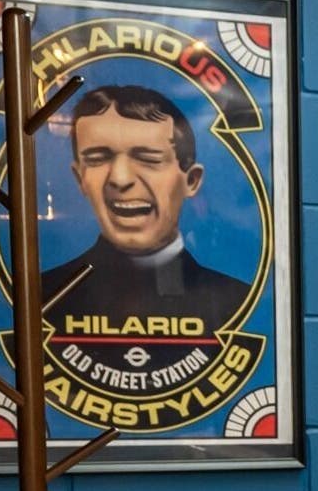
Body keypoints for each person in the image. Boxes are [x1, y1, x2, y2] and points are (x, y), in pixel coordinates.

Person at [35, 82, 253, 347]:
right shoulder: (39, 300)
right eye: (97, 158)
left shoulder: (238, 304)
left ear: (192, 180)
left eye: (148, 159)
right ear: (80, 178)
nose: (120, 179)